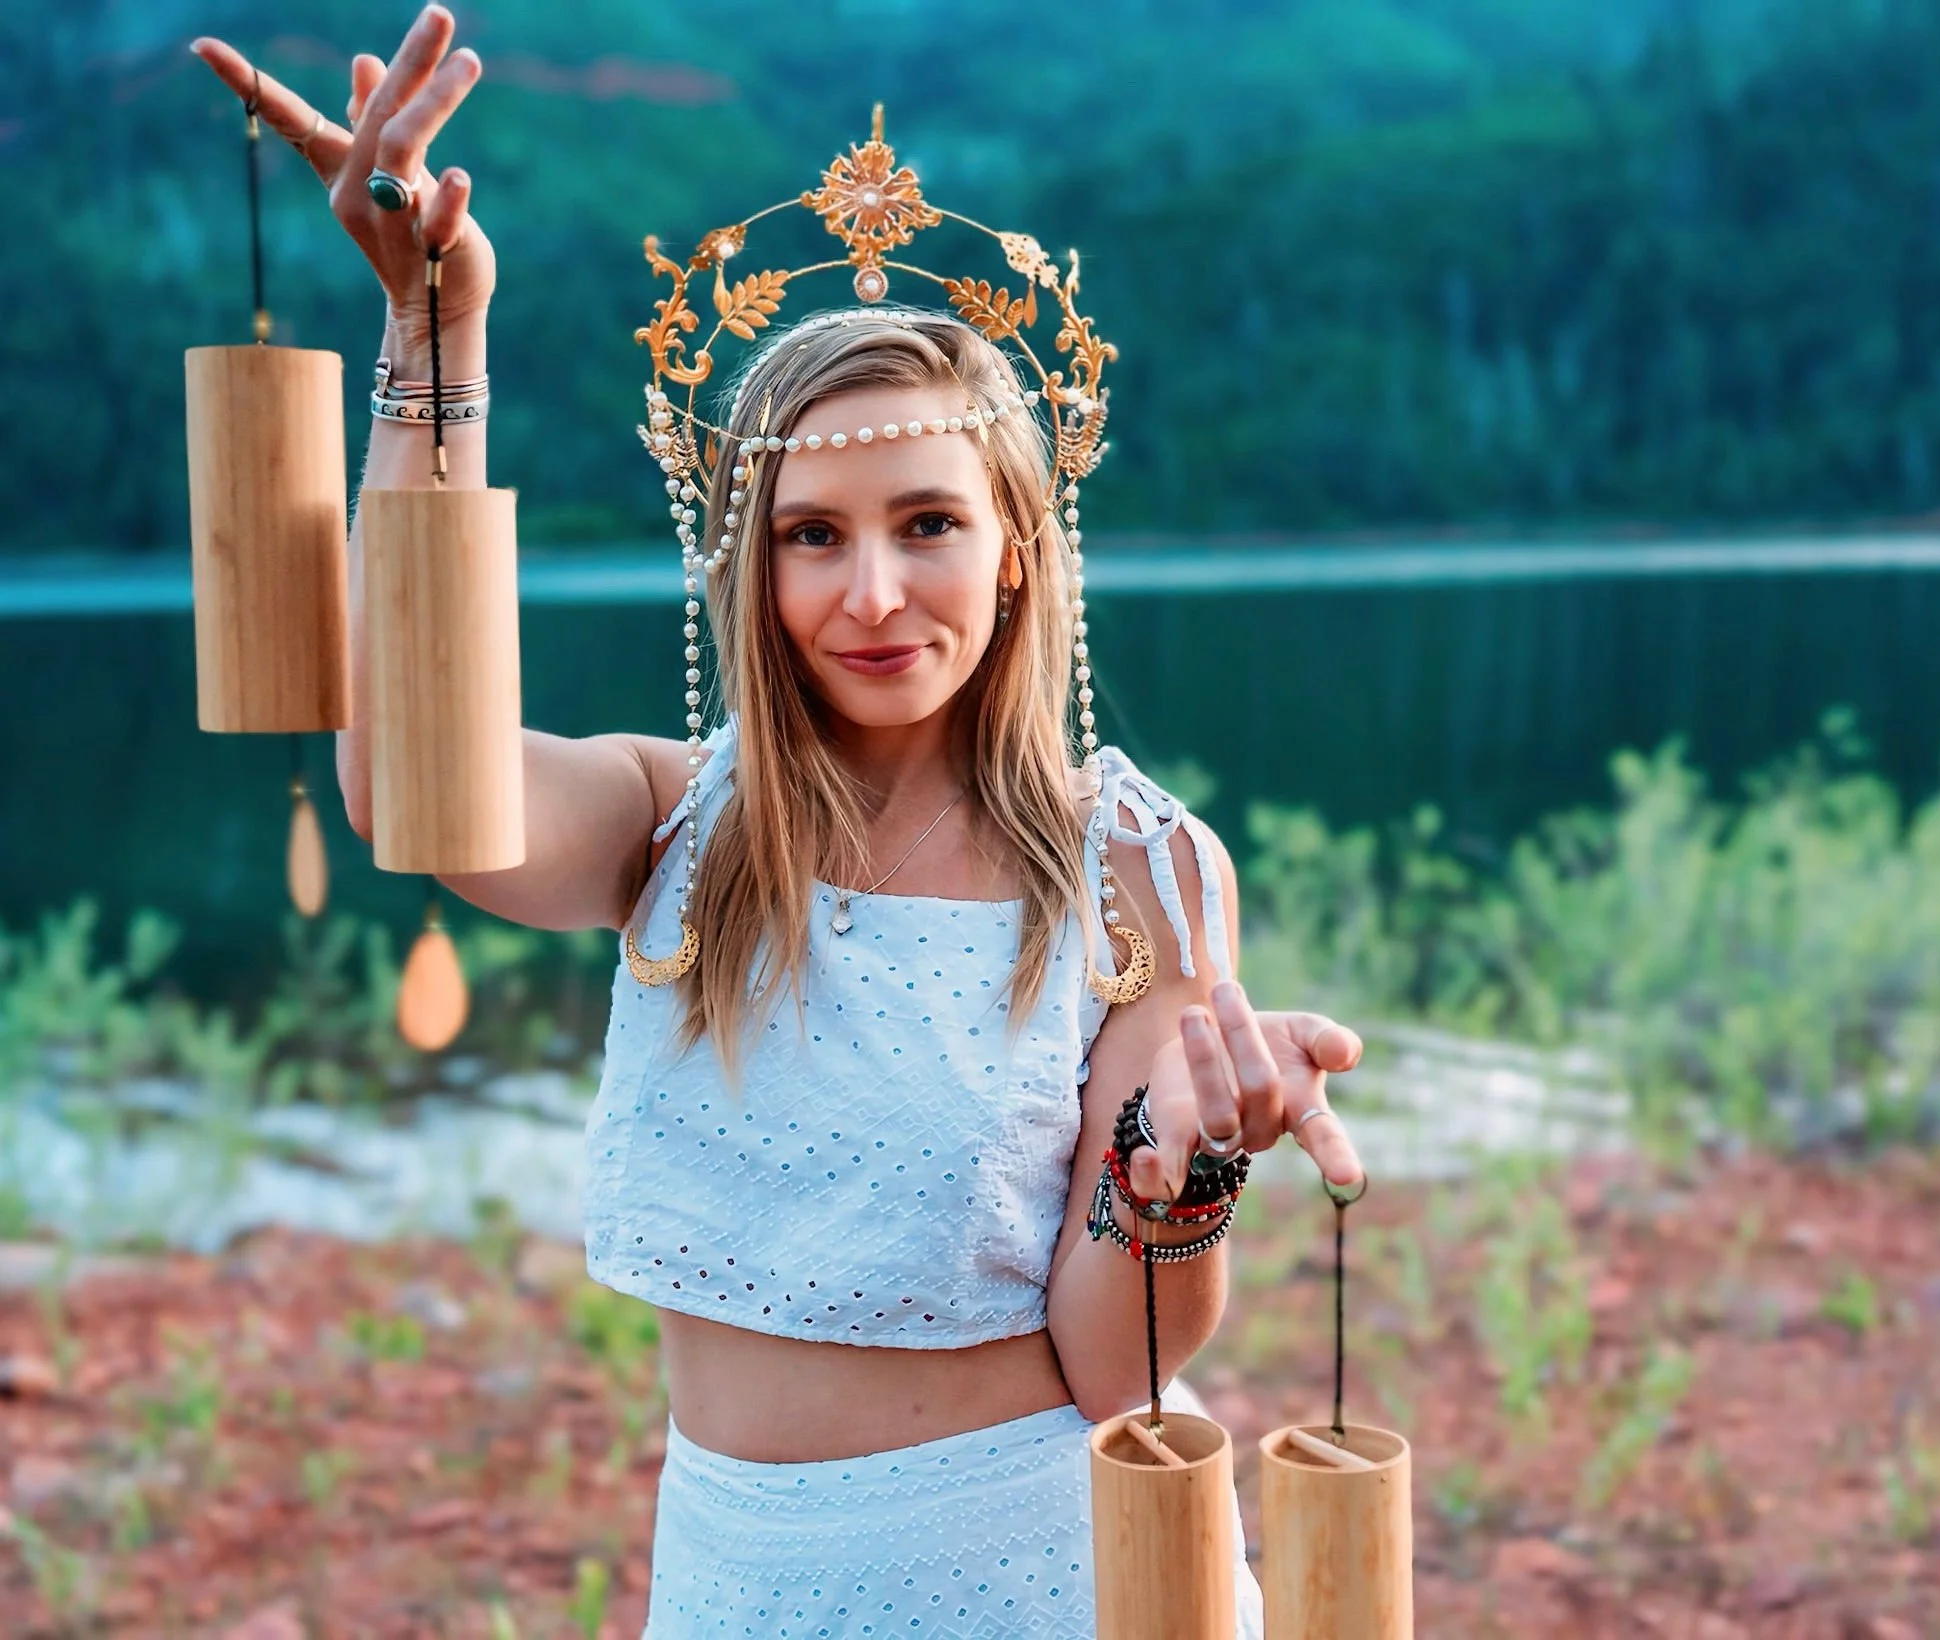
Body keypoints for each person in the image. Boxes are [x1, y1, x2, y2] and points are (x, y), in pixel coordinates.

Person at [194, 9, 1369, 1635]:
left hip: (1035, 1567)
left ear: (1018, 549)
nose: (873, 593)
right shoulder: (675, 826)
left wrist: (1186, 1171)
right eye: (813, 535)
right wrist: (434, 333)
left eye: (930, 525)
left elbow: (1122, 1365)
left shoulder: (1129, 870)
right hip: (739, 1573)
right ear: (755, 567)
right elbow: (414, 787)